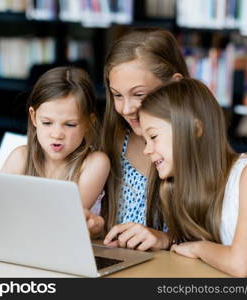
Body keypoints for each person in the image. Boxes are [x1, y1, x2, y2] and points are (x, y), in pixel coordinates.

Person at [139, 78, 247, 276]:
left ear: (195, 129)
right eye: (145, 140)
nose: (146, 150)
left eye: (153, 137)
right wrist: (168, 240)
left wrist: (198, 248)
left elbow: (240, 265)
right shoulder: (179, 186)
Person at [0, 66, 109, 238]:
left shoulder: (95, 163)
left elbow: (65, 220)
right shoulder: (20, 157)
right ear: (33, 117)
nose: (57, 134)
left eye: (70, 125)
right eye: (47, 122)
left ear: (89, 123)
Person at [101, 28, 190, 251]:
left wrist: (166, 239)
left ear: (174, 85)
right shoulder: (111, 142)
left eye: (139, 94)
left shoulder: (196, 150)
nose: (126, 109)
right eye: (117, 95)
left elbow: (215, 238)